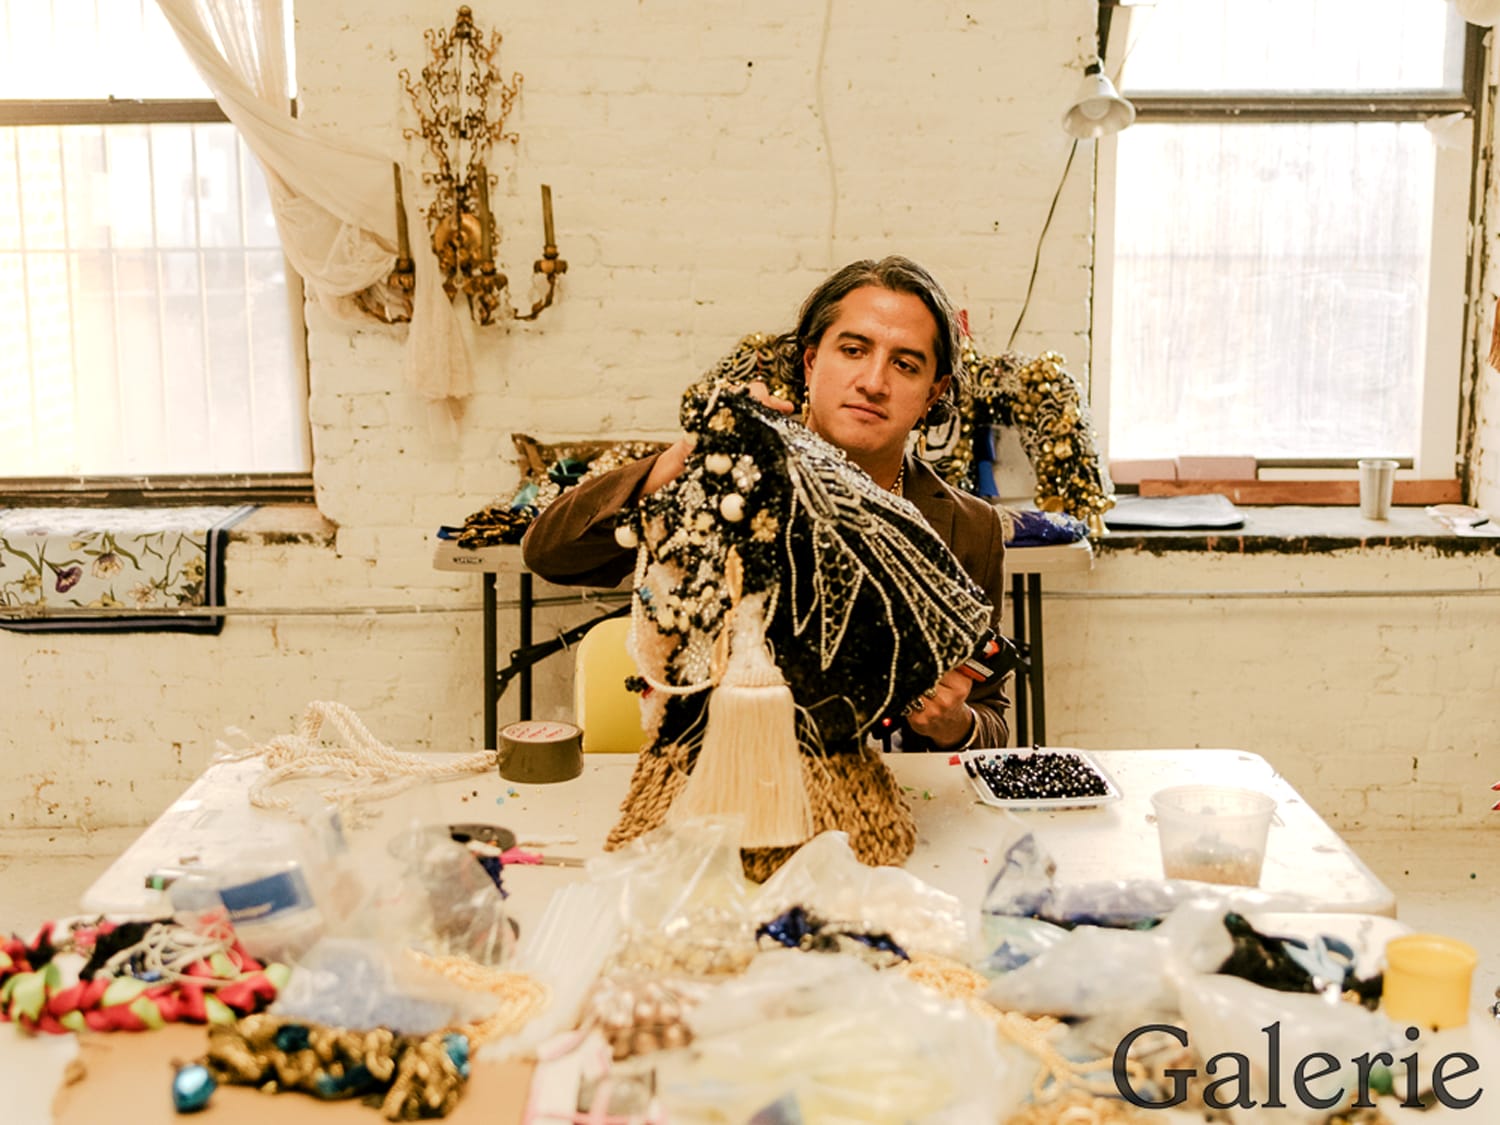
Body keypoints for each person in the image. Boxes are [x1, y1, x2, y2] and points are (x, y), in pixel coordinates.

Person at [523, 255, 1010, 750]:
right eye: (853, 349)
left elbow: (992, 718)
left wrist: (958, 724)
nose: (873, 382)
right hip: (722, 787)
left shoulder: (970, 528)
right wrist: (684, 456)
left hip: (886, 800)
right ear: (811, 360)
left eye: (905, 364)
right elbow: (550, 552)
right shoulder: (728, 481)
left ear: (934, 392)